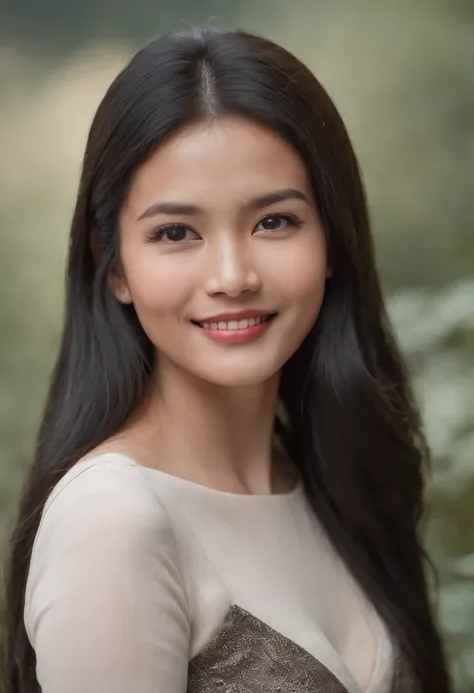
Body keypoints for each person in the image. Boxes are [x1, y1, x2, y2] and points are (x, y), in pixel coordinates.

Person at [1, 27, 451, 693]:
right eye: (175, 232)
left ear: (332, 239)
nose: (233, 275)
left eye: (274, 221)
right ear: (114, 265)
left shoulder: (331, 476)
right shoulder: (113, 522)